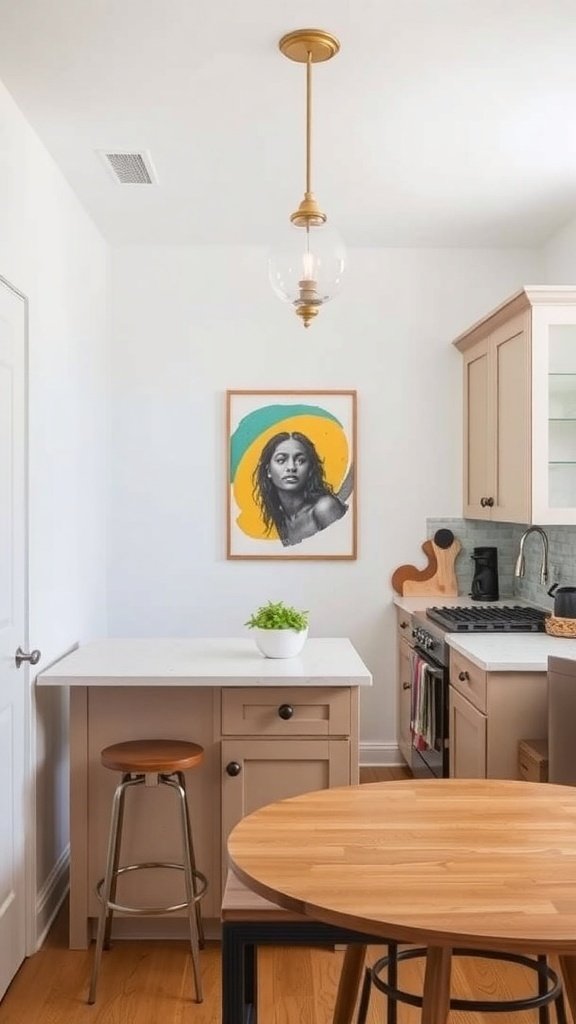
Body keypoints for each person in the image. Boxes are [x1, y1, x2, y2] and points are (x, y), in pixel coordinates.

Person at [252, 431, 350, 547]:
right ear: (268, 471)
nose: (291, 467)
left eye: (300, 461)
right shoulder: (281, 517)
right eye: (281, 460)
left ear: (310, 471)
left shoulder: (325, 508)